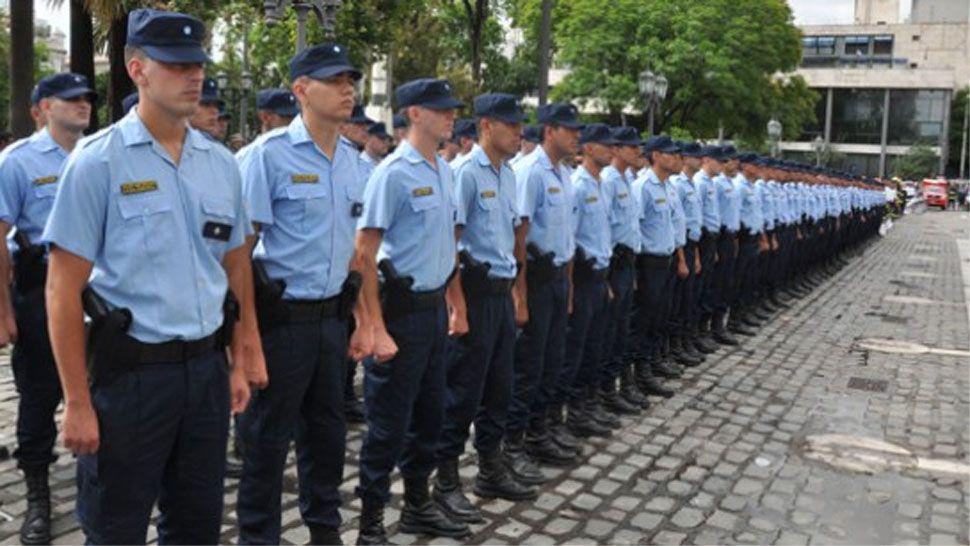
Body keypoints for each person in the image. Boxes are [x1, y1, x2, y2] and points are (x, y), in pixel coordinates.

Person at [41, 9, 265, 543]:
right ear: (137, 69)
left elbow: (235, 264)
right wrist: (76, 401)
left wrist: (243, 355)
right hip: (131, 378)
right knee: (117, 528)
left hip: (205, 375)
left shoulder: (221, 163)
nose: (195, 76)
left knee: (195, 527)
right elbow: (61, 288)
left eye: (199, 64)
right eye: (177, 64)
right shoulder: (97, 163)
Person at [236, 42, 368, 546]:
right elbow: (239, 258)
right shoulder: (266, 157)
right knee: (265, 441)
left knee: (328, 436)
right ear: (300, 90)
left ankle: (324, 530)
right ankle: (258, 536)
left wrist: (363, 320)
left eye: (349, 80)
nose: (347, 89)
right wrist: (245, 337)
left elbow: (360, 253)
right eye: (334, 80)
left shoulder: (356, 163)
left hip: (333, 322)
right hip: (281, 323)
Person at [352, 78, 470, 543]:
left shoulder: (442, 170)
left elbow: (448, 247)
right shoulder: (393, 173)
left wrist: (453, 303)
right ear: (415, 114)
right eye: (442, 109)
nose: (451, 116)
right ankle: (371, 523)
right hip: (399, 314)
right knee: (388, 423)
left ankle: (418, 504)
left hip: (433, 310)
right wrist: (375, 326)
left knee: (430, 413)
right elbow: (364, 252)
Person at [0, 71, 95, 546]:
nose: (83, 105)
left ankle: (95, 481)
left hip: (99, 297)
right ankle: (38, 493)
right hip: (39, 294)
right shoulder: (17, 162)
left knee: (102, 388)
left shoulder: (101, 155)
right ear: (42, 109)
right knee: (39, 395)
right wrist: (4, 310)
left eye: (86, 99)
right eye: (70, 99)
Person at [432, 93, 536, 525]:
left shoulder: (508, 174)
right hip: (471, 294)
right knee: (463, 390)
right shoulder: (465, 174)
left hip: (499, 291)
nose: (519, 133)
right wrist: (457, 304)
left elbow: (511, 240)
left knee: (499, 386)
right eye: (511, 125)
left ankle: (490, 467)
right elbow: (451, 244)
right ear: (487, 126)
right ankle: (446, 481)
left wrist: (516, 292)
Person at [505, 103, 580, 477]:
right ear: (550, 131)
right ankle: (513, 442)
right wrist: (519, 296)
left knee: (552, 360)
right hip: (532, 279)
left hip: (556, 278)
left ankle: (540, 430)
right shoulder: (530, 172)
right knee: (528, 366)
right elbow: (519, 241)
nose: (576, 136)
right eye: (570, 129)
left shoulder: (564, 173)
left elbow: (565, 237)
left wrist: (567, 287)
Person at [558, 123, 618, 441]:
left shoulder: (602, 185)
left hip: (599, 277)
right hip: (581, 278)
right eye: (606, 145)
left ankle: (586, 405)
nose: (612, 150)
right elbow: (572, 240)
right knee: (575, 352)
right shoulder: (578, 185)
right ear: (590, 149)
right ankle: (568, 415)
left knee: (595, 347)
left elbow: (602, 234)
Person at [599, 126, 647, 413]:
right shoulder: (607, 181)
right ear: (616, 149)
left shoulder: (628, 179)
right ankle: (604, 390)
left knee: (621, 329)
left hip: (628, 261)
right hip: (613, 263)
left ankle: (616, 385)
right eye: (631, 147)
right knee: (609, 330)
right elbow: (603, 229)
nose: (637, 151)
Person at [630, 136, 681, 400]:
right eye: (669, 154)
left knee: (659, 317)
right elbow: (635, 227)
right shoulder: (643, 187)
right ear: (656, 156)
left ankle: (650, 364)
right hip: (648, 263)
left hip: (666, 260)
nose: (675, 158)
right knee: (643, 320)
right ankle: (638, 374)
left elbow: (671, 226)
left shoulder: (667, 187)